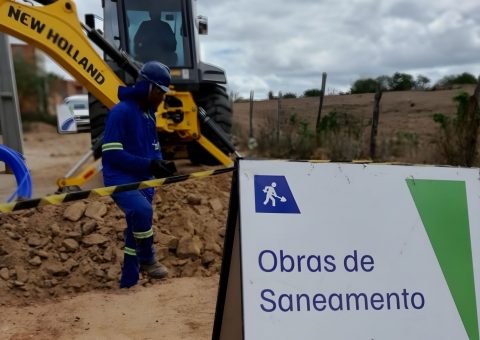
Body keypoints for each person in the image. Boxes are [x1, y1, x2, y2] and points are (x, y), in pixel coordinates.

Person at [102, 61, 176, 288]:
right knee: (142, 211)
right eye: (161, 92)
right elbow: (112, 154)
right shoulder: (120, 112)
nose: (163, 98)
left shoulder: (149, 115)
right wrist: (150, 165)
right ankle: (148, 258)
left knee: (135, 229)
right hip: (120, 178)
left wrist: (160, 164)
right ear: (149, 88)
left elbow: (153, 147)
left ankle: (129, 282)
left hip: (143, 180)